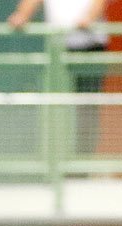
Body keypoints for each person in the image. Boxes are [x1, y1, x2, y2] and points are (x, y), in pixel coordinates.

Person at [8, 0, 108, 157]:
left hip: (90, 46)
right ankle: (56, 161)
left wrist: (89, 17)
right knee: (56, 106)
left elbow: (99, 3)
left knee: (87, 109)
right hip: (57, 49)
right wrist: (22, 15)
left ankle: (82, 164)